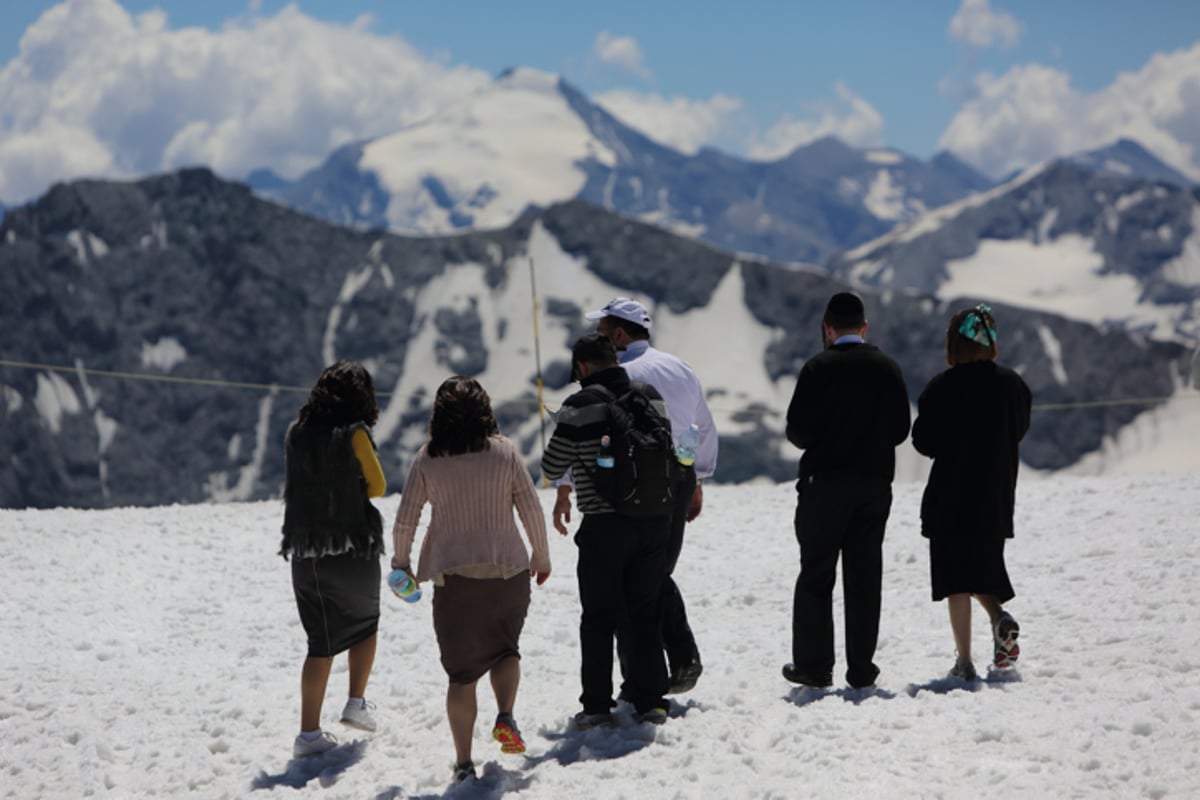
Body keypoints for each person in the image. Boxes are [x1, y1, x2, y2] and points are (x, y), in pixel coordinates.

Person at [390, 376, 551, 784]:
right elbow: (530, 508)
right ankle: (505, 715)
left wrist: (402, 562)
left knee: (461, 675)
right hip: (508, 571)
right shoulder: (505, 452)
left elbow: (407, 517)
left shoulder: (428, 459)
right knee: (505, 650)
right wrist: (541, 554)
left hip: (454, 578)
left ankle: (464, 763)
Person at [561, 296, 716, 694]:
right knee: (655, 570)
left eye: (602, 331)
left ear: (618, 333)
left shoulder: (616, 375)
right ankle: (681, 658)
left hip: (625, 483)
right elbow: (703, 425)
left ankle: (640, 682)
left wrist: (565, 486)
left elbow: (585, 431)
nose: (598, 338)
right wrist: (697, 479)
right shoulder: (679, 367)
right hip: (677, 477)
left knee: (631, 582)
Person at [541, 332, 672, 727]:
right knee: (644, 610)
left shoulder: (578, 405)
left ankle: (597, 705)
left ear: (582, 367)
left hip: (603, 523)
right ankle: (651, 700)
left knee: (598, 616)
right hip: (654, 520)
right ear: (614, 359)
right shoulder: (649, 395)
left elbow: (551, 467)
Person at [783, 292, 911, 690]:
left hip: (824, 484)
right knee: (864, 575)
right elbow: (900, 430)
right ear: (864, 327)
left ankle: (815, 667)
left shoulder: (816, 368)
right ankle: (861, 669)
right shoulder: (887, 368)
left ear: (827, 328)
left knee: (816, 575)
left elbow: (798, 433)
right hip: (873, 484)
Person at [911, 304, 1031, 680]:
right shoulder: (1013, 386)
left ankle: (964, 662)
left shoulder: (941, 388)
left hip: (949, 495)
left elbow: (923, 442)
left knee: (955, 580)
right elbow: (1019, 430)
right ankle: (999, 617)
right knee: (983, 568)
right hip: (995, 495)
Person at [280, 359, 387, 758]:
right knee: (365, 622)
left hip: (306, 551)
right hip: (351, 547)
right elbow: (376, 485)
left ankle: (308, 733)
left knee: (319, 642)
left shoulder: (296, 435)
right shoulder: (354, 435)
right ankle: (356, 703)